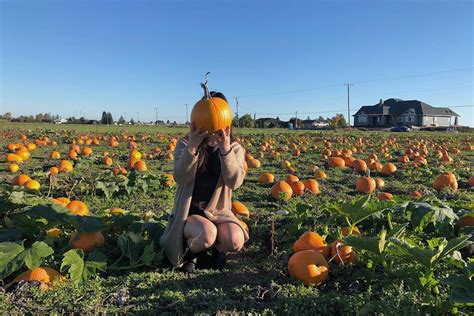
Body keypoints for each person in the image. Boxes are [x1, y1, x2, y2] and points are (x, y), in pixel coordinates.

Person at [160, 92, 249, 273]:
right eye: (207, 114)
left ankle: (217, 250)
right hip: (190, 213)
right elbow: (180, 177)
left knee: (235, 240)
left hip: (218, 212)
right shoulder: (185, 143)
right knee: (206, 235)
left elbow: (235, 182)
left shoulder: (235, 148)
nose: (212, 118)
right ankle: (192, 252)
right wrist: (193, 147)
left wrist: (225, 151)